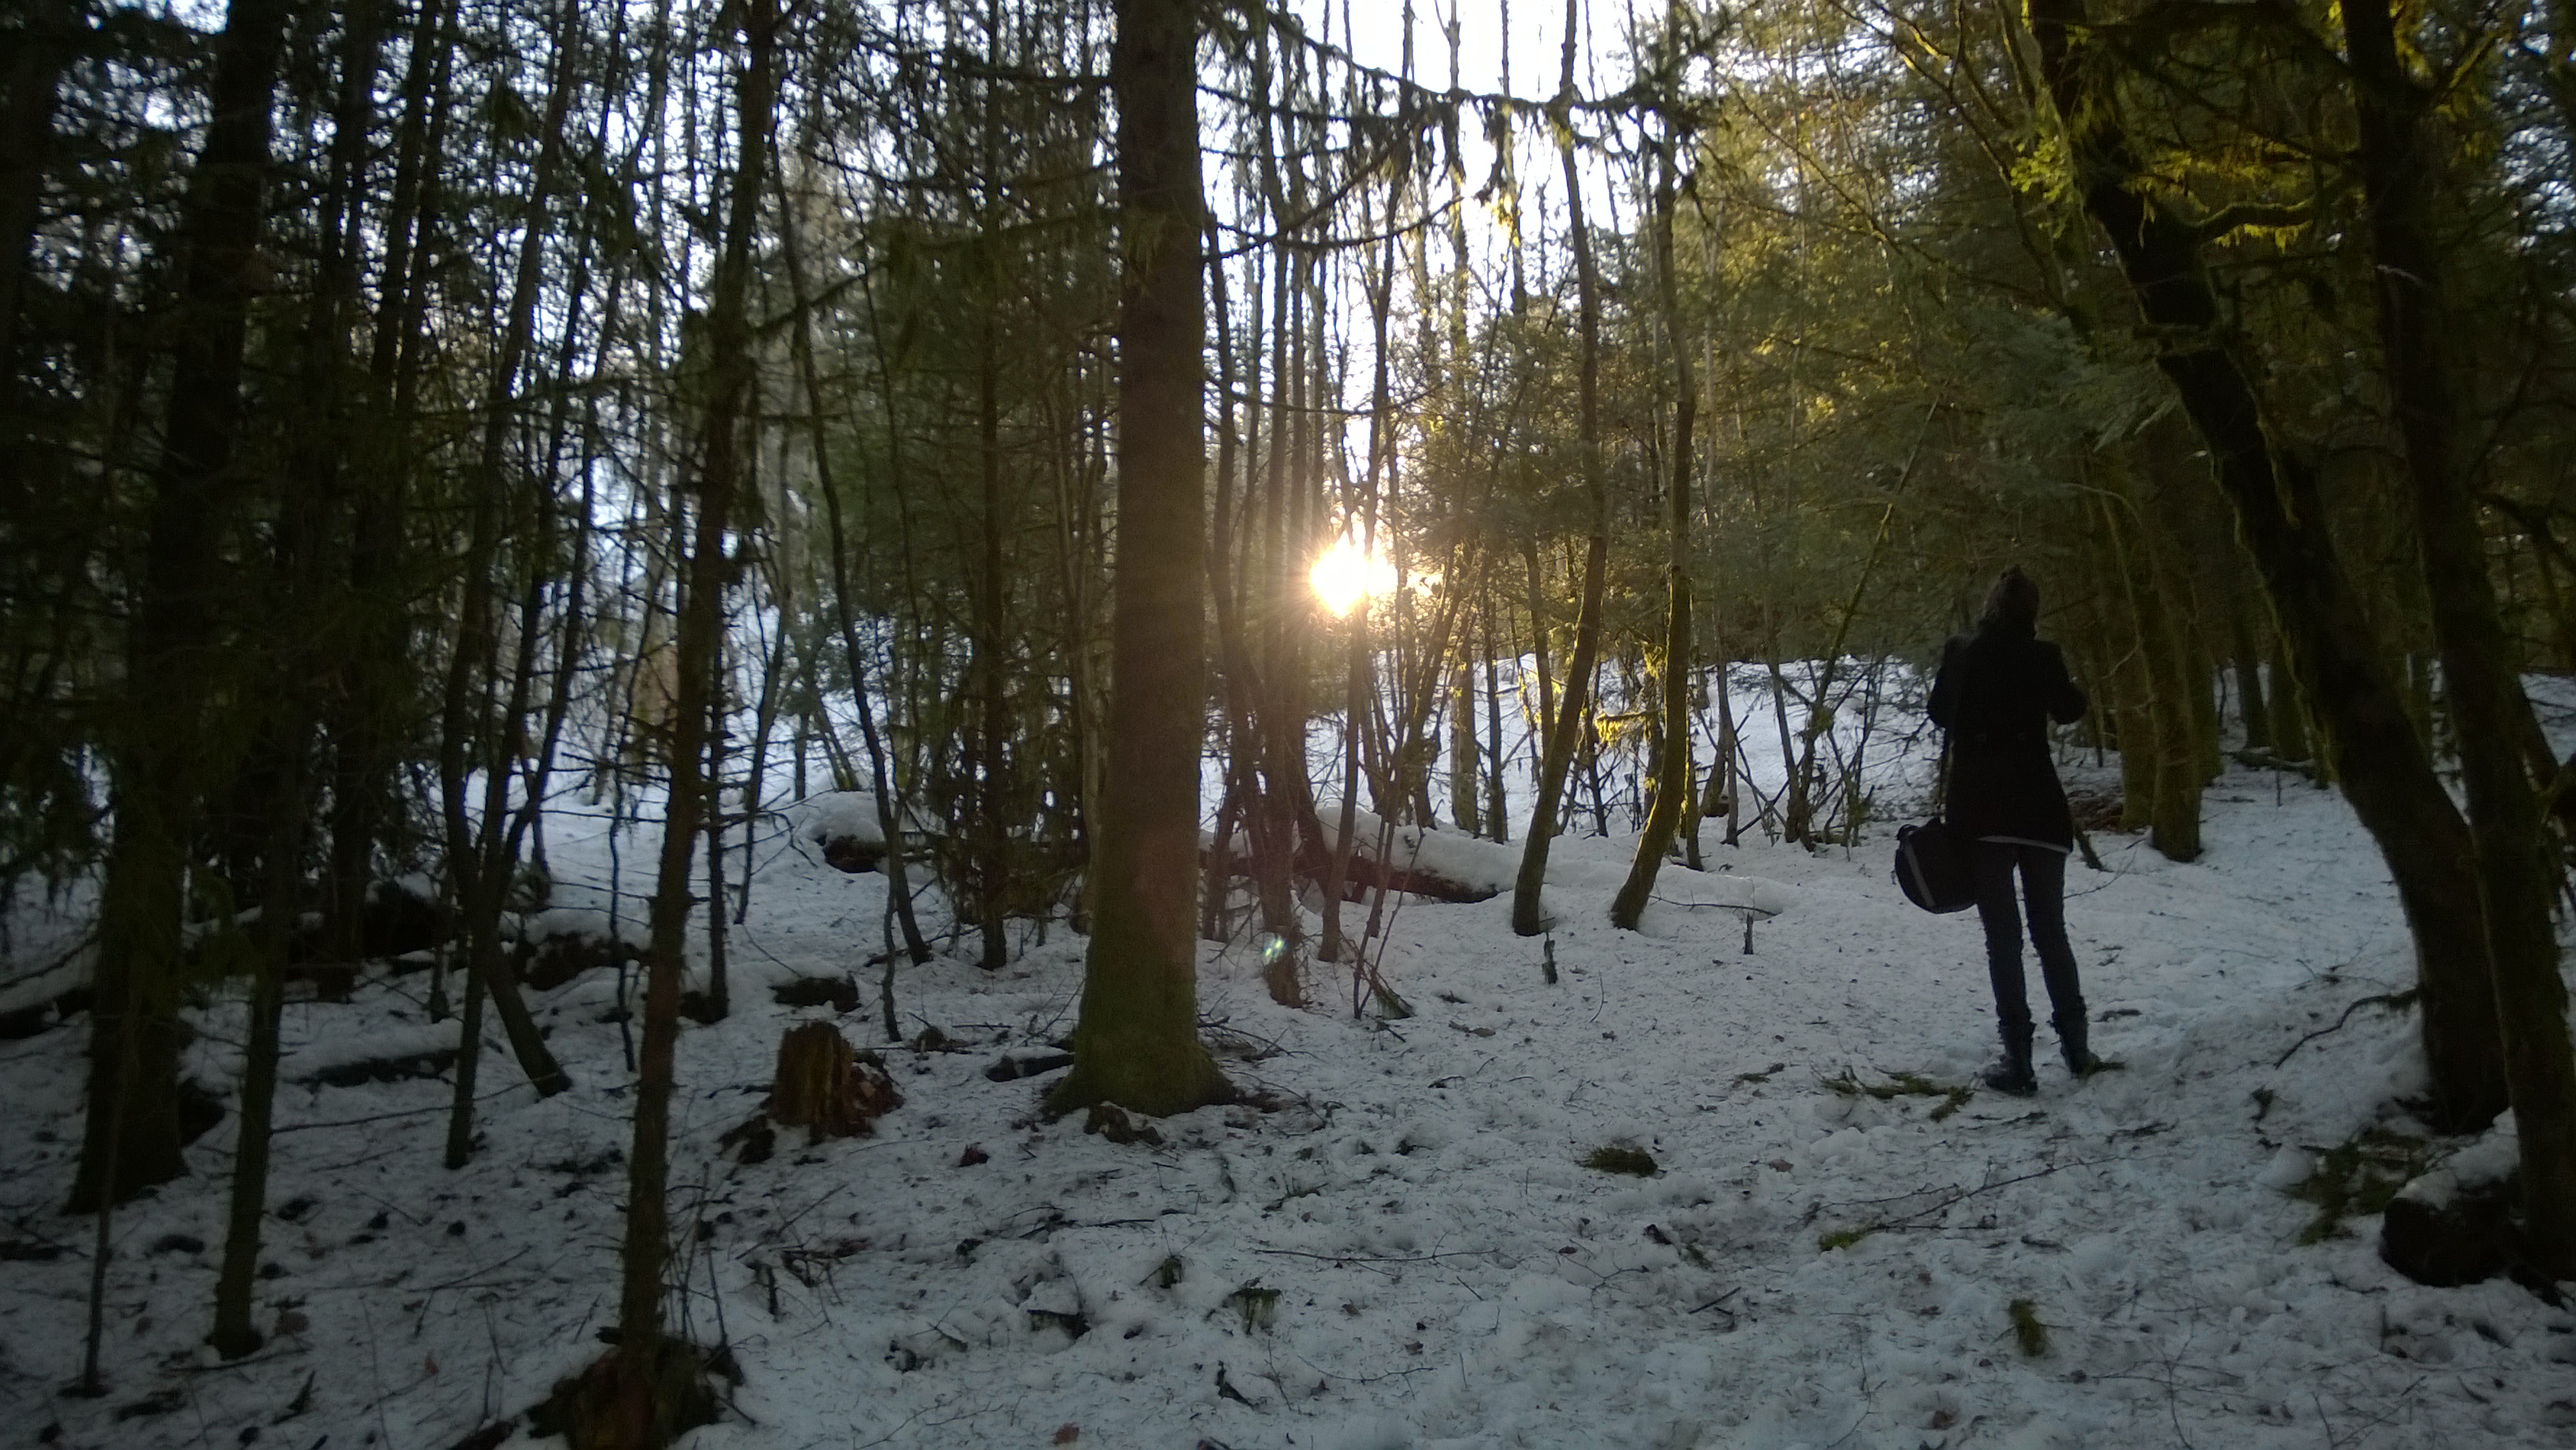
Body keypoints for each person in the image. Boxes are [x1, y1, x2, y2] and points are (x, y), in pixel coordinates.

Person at [1928, 566, 2097, 1095]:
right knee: (2051, 931)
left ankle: (2019, 1061)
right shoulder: (2044, 656)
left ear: (1991, 604)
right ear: (2033, 611)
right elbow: (2069, 711)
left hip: (1981, 811)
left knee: (2003, 938)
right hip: (2039, 808)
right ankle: (2076, 1048)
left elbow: (1939, 715)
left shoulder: (1962, 652)